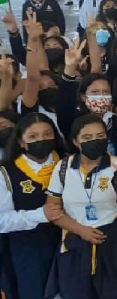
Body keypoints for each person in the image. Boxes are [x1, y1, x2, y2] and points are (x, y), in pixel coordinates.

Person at [45, 114, 117, 298]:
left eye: (100, 136)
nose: (95, 142)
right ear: (75, 141)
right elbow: (53, 210)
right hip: (75, 243)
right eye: (87, 138)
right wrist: (81, 230)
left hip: (113, 243)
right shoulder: (63, 167)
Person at [0, 112, 63, 299]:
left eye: (47, 134)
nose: (41, 140)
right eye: (33, 136)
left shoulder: (68, 163)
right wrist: (40, 215)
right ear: (21, 141)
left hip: (68, 244)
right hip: (29, 250)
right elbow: (2, 220)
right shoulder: (7, 172)